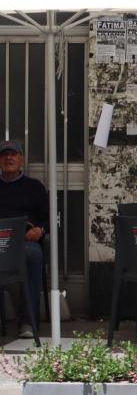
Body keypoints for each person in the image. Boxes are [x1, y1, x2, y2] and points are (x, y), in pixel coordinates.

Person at [0, 140, 49, 339]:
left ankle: (27, 321)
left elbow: (47, 218)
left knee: (33, 254)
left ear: (21, 159)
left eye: (13, 154)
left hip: (24, 241)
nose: (9, 158)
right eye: (4, 155)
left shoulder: (34, 187)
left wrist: (39, 230)